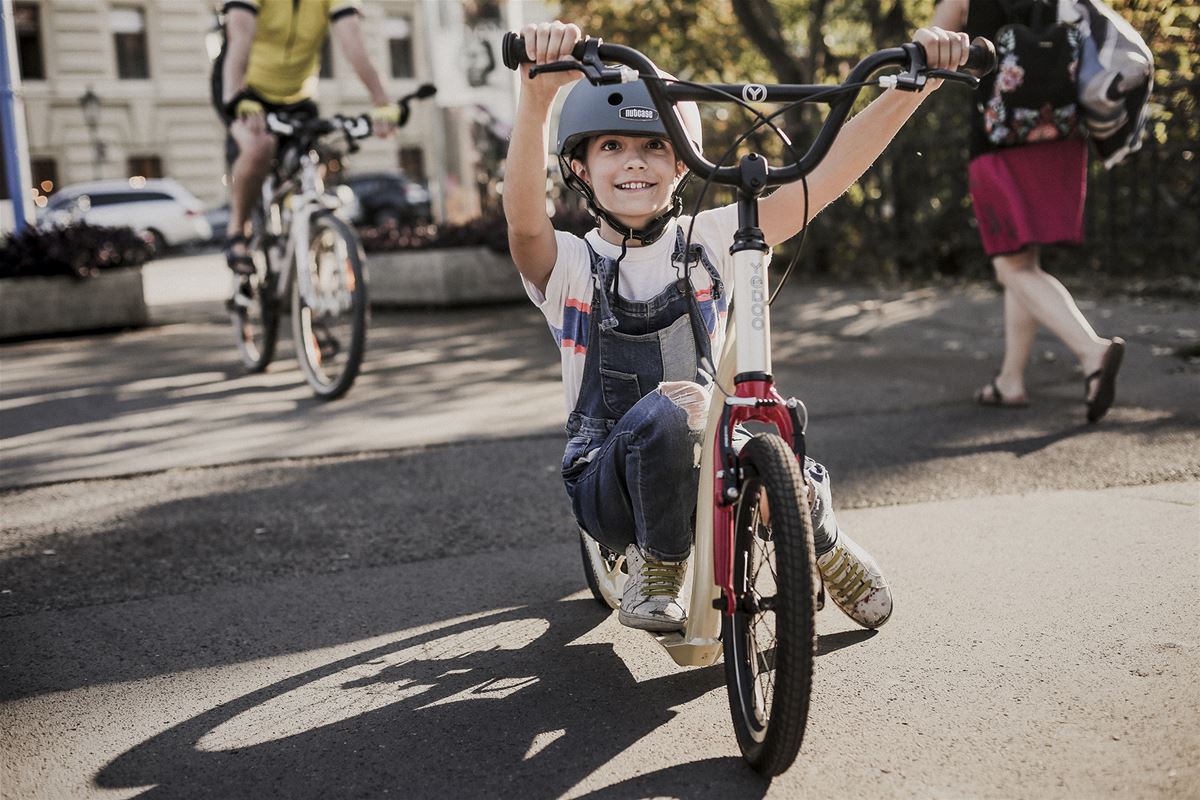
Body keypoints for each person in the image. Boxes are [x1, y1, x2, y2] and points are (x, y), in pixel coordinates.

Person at [504, 21, 969, 632]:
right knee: (674, 408)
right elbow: (523, 225)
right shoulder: (570, 265)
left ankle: (818, 537)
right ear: (581, 167)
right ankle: (659, 560)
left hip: (714, 462)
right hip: (609, 484)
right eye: (611, 147)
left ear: (681, 166)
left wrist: (912, 89)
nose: (633, 162)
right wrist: (535, 99)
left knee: (761, 434)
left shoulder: (714, 238)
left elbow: (821, 180)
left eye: (654, 146)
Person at [932, 0, 1125, 423]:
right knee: (1024, 260)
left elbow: (928, 50)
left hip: (1000, 137)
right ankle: (1010, 381)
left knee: (1010, 268)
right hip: (1059, 132)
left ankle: (1092, 351)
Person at [214, 0, 396, 275]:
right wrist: (237, 96)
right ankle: (237, 230)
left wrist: (381, 101)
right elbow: (239, 36)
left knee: (314, 155)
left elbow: (353, 44)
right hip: (244, 88)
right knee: (258, 146)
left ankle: (303, 231)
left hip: (298, 96)